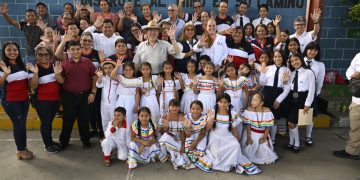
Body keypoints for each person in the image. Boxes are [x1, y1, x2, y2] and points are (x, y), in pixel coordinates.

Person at [53, 40, 97, 150]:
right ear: (68, 51)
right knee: (68, 120)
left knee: (84, 120)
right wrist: (57, 74)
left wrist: (93, 92)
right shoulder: (64, 63)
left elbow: (94, 77)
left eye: (78, 49)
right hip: (69, 96)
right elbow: (61, 81)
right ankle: (64, 141)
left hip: (86, 95)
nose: (76, 51)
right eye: (72, 49)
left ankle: (85, 140)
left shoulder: (88, 62)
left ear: (81, 49)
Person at [205, 93, 261, 175]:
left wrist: (237, 141)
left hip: (228, 137)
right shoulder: (213, 113)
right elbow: (207, 128)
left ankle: (230, 163)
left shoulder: (232, 114)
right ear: (217, 102)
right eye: (220, 102)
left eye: (225, 102)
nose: (223, 104)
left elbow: (234, 130)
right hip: (216, 137)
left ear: (229, 103)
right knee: (217, 152)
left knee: (235, 145)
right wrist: (210, 119)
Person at [0, 42, 37, 160]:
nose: (12, 52)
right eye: (9, 50)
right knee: (18, 125)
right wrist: (5, 74)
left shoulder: (21, 64)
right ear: (4, 52)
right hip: (10, 100)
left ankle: (23, 147)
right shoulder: (2, 65)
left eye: (15, 50)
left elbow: (27, 84)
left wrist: (34, 75)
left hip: (24, 99)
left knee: (22, 125)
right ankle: (20, 150)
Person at [283, 52, 315, 153]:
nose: (294, 62)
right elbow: (288, 88)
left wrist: (307, 104)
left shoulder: (308, 72)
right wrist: (285, 81)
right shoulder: (292, 73)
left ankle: (297, 143)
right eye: (292, 61)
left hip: (302, 98)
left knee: (292, 122)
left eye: (296, 60)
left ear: (301, 59)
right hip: (292, 98)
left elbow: (312, 89)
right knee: (290, 123)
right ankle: (291, 142)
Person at [32, 45, 62, 153]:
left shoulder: (54, 65)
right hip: (42, 101)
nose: (44, 57)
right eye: (40, 54)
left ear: (50, 55)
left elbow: (61, 81)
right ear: (36, 56)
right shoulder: (34, 68)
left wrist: (58, 74)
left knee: (49, 121)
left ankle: (50, 141)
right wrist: (35, 73)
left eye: (46, 54)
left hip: (55, 100)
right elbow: (33, 86)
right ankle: (47, 144)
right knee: (45, 123)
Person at [259, 50, 291, 145]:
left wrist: (279, 100)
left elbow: (287, 88)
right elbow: (262, 83)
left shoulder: (287, 70)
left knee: (274, 118)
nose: (277, 58)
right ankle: (263, 136)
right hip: (267, 93)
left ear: (283, 57)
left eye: (279, 56)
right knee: (264, 116)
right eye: (275, 56)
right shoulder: (268, 68)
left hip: (278, 93)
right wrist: (263, 73)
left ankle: (272, 139)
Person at [333, 52, 360, 160]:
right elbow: (349, 70)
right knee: (355, 127)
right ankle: (352, 151)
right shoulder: (359, 56)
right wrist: (353, 76)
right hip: (357, 100)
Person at [241, 93, 278, 164]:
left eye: (255, 100)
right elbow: (248, 125)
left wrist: (264, 137)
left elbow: (268, 126)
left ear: (261, 103)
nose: (252, 101)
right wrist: (249, 137)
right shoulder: (249, 110)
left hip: (262, 134)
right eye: (252, 99)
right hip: (251, 134)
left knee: (264, 152)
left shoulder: (267, 111)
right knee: (249, 151)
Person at [158, 99, 192, 169]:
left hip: (178, 141)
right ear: (169, 107)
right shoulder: (164, 117)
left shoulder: (182, 118)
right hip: (168, 141)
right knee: (165, 137)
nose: (174, 108)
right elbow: (162, 133)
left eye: (176, 106)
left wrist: (182, 145)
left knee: (174, 151)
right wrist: (165, 127)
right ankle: (178, 156)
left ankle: (174, 160)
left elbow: (183, 134)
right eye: (172, 106)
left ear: (179, 108)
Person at [303, 42, 325, 146]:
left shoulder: (320, 65)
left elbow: (320, 81)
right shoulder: (298, 60)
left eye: (315, 50)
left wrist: (316, 93)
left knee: (309, 116)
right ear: (306, 49)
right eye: (310, 49)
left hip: (311, 92)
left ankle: (308, 136)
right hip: (298, 92)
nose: (312, 52)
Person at [110, 61, 141, 129]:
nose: (128, 72)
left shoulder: (137, 80)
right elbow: (111, 75)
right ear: (123, 71)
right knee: (120, 117)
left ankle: (130, 135)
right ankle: (119, 133)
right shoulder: (121, 78)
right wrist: (117, 66)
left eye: (130, 70)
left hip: (131, 101)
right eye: (126, 70)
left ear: (133, 70)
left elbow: (137, 93)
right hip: (121, 101)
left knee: (130, 117)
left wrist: (136, 105)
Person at [183, 101, 211, 172]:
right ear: (190, 109)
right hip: (191, 135)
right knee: (188, 149)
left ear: (201, 110)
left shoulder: (204, 117)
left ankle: (198, 161)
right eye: (193, 108)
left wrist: (195, 143)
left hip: (201, 136)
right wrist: (188, 127)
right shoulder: (187, 117)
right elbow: (187, 135)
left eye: (198, 109)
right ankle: (196, 161)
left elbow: (203, 132)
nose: (195, 111)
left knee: (200, 151)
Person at [96, 60, 118, 132]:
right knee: (105, 121)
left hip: (115, 104)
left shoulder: (118, 78)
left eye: (110, 68)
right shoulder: (103, 78)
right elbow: (98, 85)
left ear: (114, 68)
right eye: (105, 68)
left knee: (115, 121)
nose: (107, 70)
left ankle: (115, 138)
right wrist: (99, 77)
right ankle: (107, 138)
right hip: (104, 104)